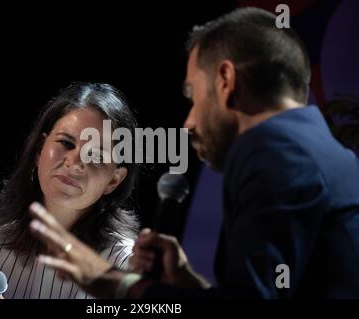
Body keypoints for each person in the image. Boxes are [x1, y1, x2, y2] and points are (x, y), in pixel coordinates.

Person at [29, 7, 359, 298]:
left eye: (192, 95)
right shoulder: (322, 150)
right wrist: (186, 283)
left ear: (225, 80)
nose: (187, 123)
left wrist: (112, 281)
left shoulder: (275, 152)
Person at [0, 82, 140, 299]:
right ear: (40, 151)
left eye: (96, 155)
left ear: (114, 181)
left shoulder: (126, 266)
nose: (74, 162)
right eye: (66, 143)